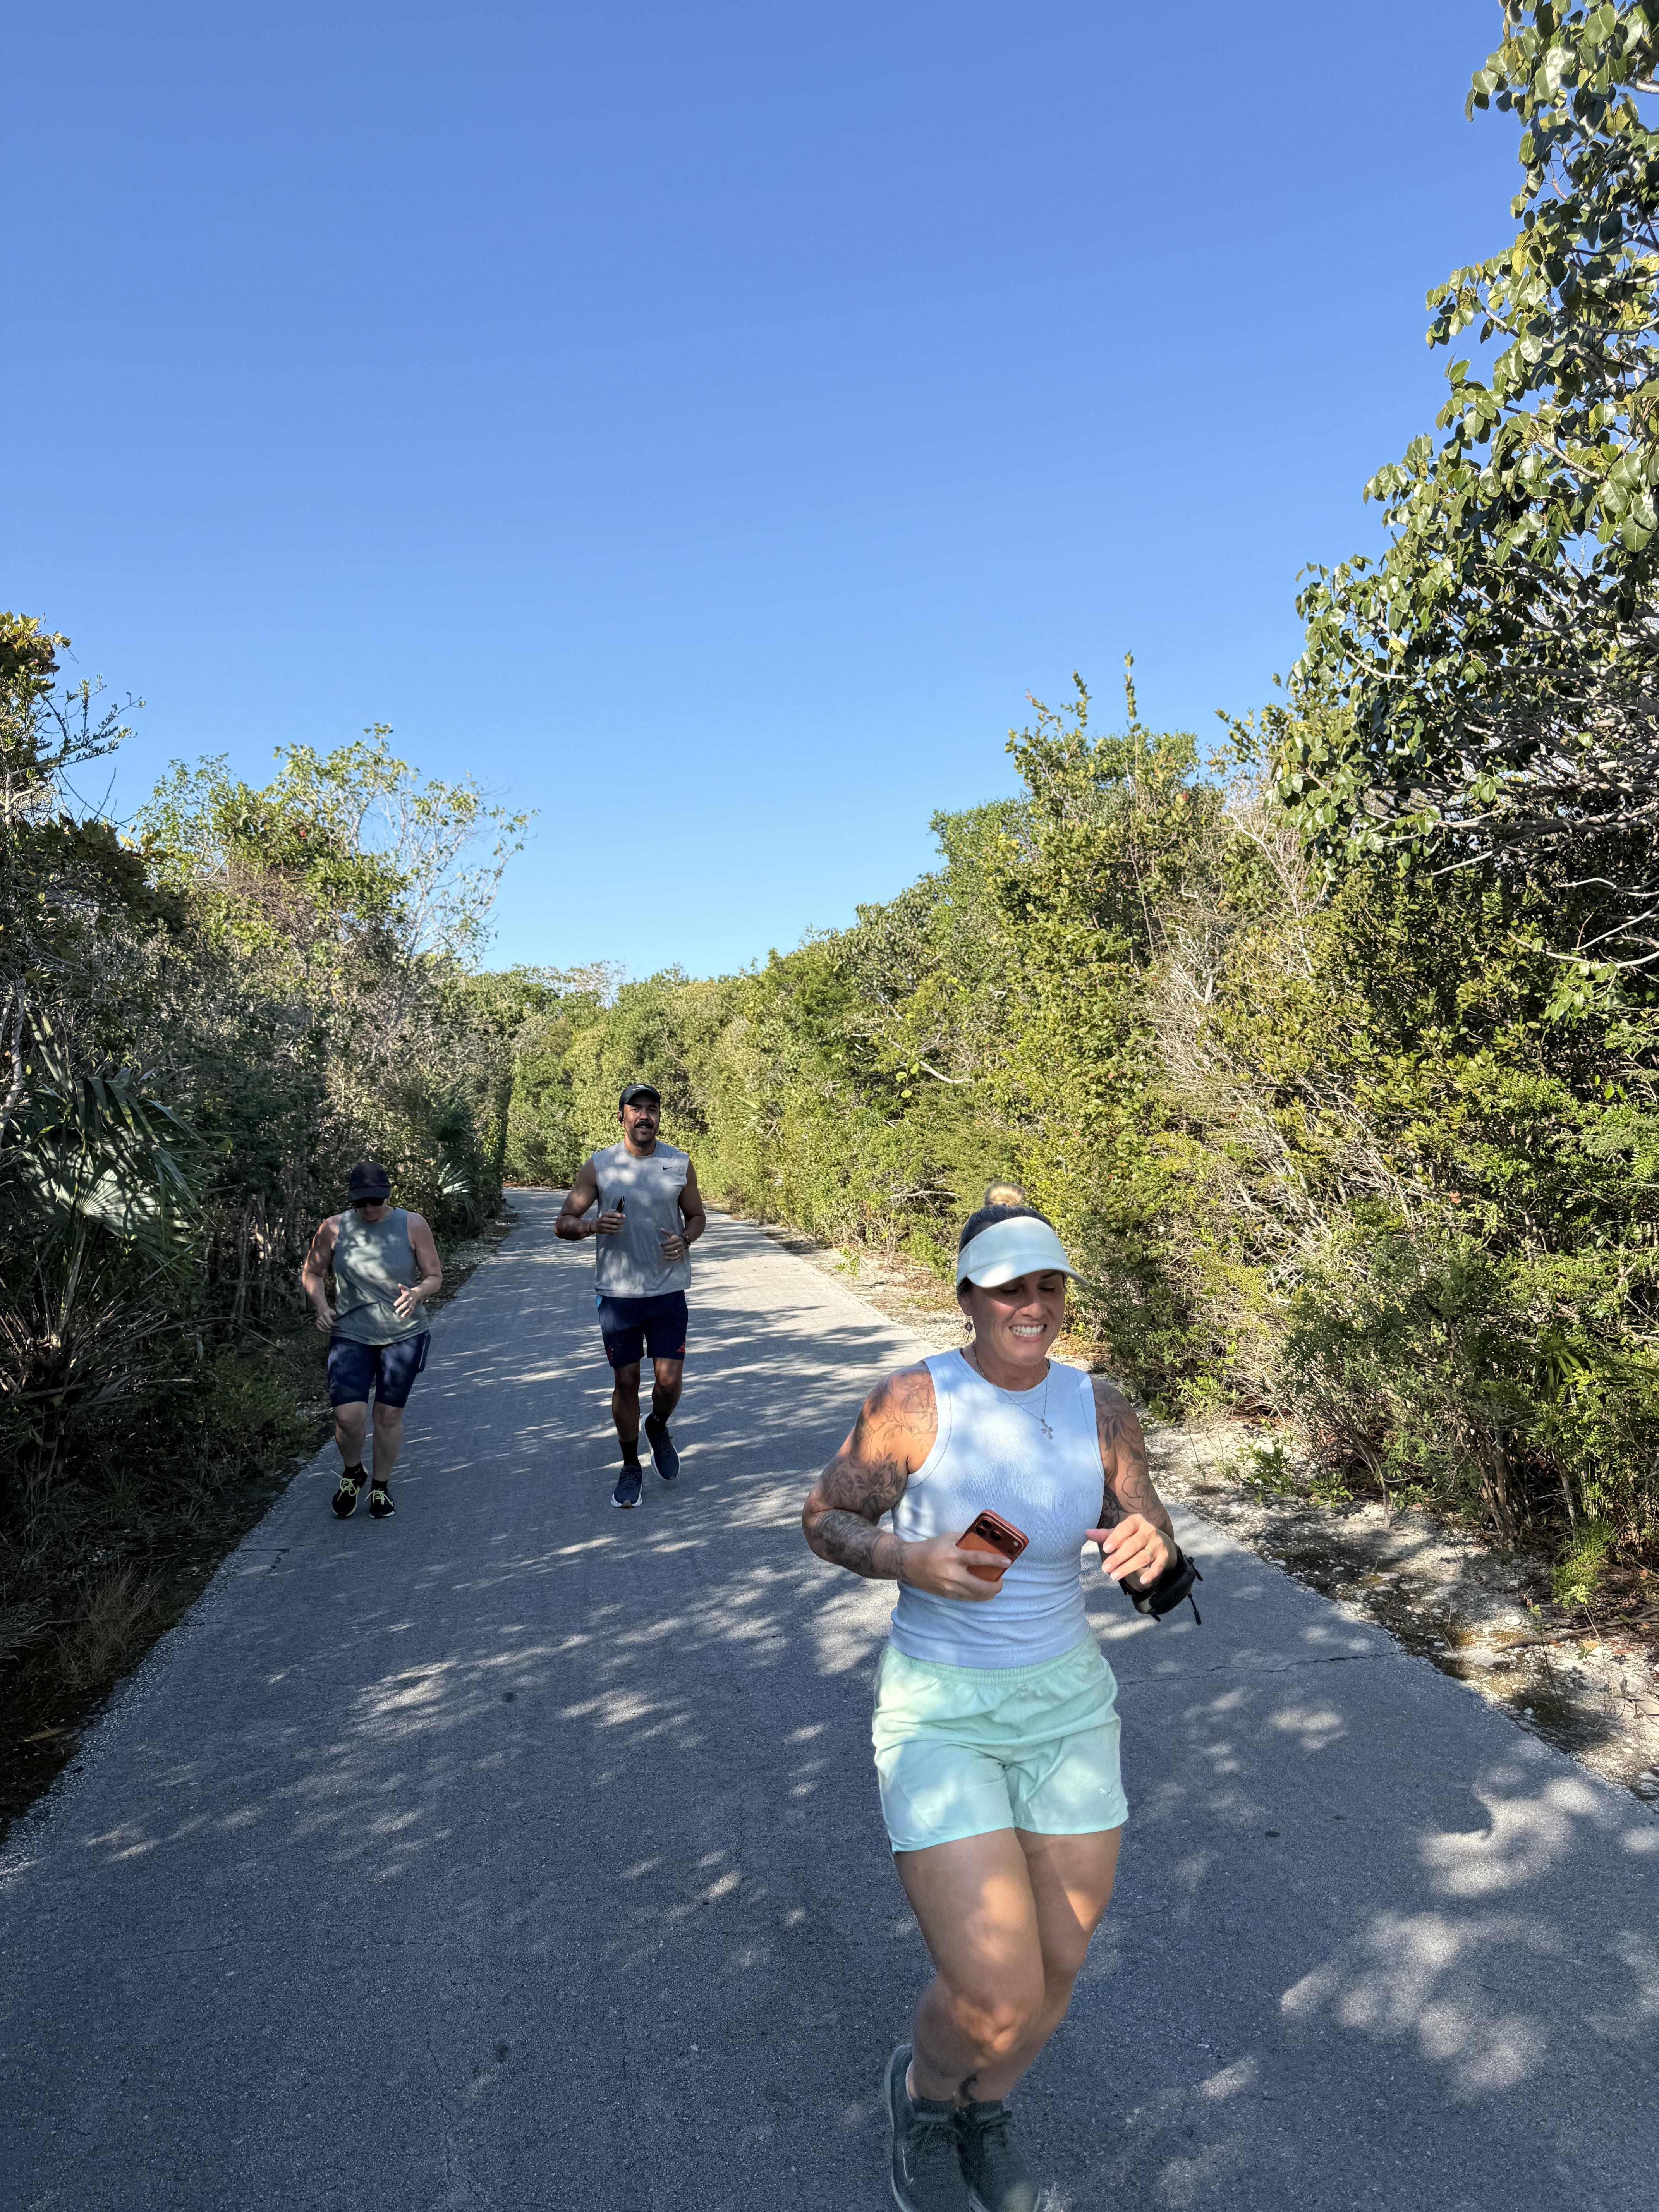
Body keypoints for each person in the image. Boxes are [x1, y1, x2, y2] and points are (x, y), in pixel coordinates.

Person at [801, 1187, 1200, 2212]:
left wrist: (1155, 1551)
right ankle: (925, 2101)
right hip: (940, 1709)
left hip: (1066, 1707)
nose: (1031, 1302)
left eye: (1047, 1284)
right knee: (994, 1986)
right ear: (968, 1298)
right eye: (1006, 1286)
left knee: (1058, 1963)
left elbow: (1146, 1545)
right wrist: (905, 1557)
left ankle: (986, 2112)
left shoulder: (1100, 1409)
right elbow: (821, 1518)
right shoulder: (910, 1402)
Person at [555, 1083, 708, 1508]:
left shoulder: (678, 1163)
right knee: (626, 1381)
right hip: (618, 1295)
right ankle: (630, 1465)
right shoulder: (600, 1166)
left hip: (667, 1290)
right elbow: (563, 1221)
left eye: (652, 1109)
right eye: (635, 1109)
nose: (644, 1116)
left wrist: (686, 1239)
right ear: (621, 1116)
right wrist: (591, 1227)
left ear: (660, 1116)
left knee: (669, 1381)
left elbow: (696, 1216)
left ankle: (657, 1425)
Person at [301, 1159, 443, 1521]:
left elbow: (434, 1276)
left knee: (387, 1416)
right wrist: (321, 1306)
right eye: (360, 1203)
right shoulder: (333, 1228)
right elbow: (312, 1272)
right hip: (351, 1333)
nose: (368, 1209)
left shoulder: (413, 1224)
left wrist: (418, 1293)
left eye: (375, 1202)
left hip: (403, 1334)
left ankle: (380, 1486)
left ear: (388, 1196)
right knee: (348, 1417)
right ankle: (353, 1473)